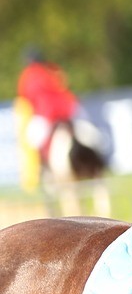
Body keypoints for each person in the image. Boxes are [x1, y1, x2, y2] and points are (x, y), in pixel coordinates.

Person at [16, 47, 80, 189]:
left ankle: (41, 174)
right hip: (68, 111)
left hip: (47, 115)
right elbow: (65, 86)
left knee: (31, 140)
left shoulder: (29, 74)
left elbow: (26, 98)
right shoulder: (53, 69)